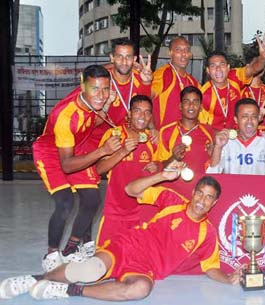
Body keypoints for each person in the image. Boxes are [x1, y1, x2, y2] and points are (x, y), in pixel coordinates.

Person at [0, 172, 240, 301]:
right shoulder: (172, 201)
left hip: (146, 267)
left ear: (214, 203)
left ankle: (67, 291)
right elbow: (131, 190)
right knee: (91, 270)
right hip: (128, 246)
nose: (202, 200)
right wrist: (161, 176)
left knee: (140, 290)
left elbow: (210, 268)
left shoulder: (207, 233)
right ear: (194, 192)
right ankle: (34, 279)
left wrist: (228, 278)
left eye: (209, 197)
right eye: (200, 193)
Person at [31, 65, 122, 272]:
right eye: (95, 89)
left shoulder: (93, 103)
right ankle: (52, 254)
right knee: (65, 202)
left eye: (105, 89)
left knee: (92, 198)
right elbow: (67, 165)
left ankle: (72, 248)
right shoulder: (66, 116)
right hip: (52, 154)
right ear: (82, 87)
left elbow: (93, 120)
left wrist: (106, 105)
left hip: (76, 149)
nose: (101, 95)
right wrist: (102, 151)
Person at [94, 95, 161, 246]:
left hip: (142, 214)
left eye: (147, 112)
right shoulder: (114, 135)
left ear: (151, 116)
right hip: (114, 214)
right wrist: (122, 152)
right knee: (107, 261)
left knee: (137, 263)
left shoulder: (154, 140)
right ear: (129, 113)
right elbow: (99, 169)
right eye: (137, 111)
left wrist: (158, 165)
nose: (142, 116)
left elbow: (161, 168)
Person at [86, 38, 153, 149]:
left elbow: (146, 110)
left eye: (128, 57)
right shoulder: (101, 81)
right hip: (99, 143)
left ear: (134, 59)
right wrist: (106, 104)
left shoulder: (141, 78)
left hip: (129, 141)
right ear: (112, 57)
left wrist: (146, 83)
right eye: (119, 56)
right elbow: (90, 123)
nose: (124, 62)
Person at [199, 33, 265, 130]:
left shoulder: (235, 77)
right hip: (217, 138)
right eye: (213, 66)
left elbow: (253, 69)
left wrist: (262, 57)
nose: (218, 69)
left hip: (239, 134)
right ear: (208, 71)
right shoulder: (203, 94)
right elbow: (202, 126)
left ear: (228, 67)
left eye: (222, 64)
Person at [206, 98, 265, 175]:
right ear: (236, 119)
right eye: (245, 116)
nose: (249, 121)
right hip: (231, 190)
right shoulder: (225, 140)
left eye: (254, 117)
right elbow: (213, 173)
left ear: (258, 118)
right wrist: (217, 147)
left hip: (258, 190)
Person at [157, 86, 214, 178]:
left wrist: (213, 154)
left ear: (200, 107)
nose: (191, 105)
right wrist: (173, 158)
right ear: (180, 106)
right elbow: (159, 167)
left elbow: (216, 165)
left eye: (195, 102)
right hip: (174, 187)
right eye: (187, 101)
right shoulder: (166, 131)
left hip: (201, 186)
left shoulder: (209, 131)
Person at [152, 36, 200, 128]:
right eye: (178, 50)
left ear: (190, 54)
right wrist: (152, 128)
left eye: (186, 50)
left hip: (186, 136)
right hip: (164, 138)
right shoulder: (163, 74)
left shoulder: (193, 82)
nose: (183, 54)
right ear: (170, 53)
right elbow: (145, 99)